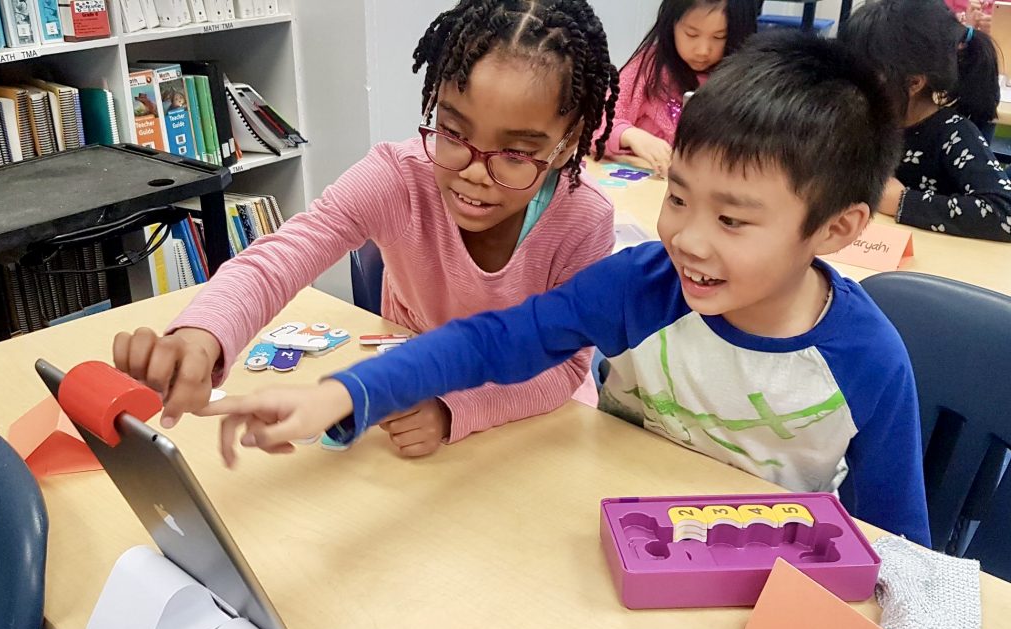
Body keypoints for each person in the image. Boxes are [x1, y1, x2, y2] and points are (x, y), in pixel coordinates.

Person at [201, 32, 932, 546]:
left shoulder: (867, 361)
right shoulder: (642, 287)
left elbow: (899, 551)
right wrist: (345, 395)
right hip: (604, 536)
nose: (687, 239)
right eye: (677, 198)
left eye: (733, 219)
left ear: (836, 229)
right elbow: (494, 341)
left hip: (761, 582)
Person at [113, 0, 620, 458]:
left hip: (532, 426)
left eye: (515, 154)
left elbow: (565, 368)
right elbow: (284, 255)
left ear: (569, 139)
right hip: (404, 388)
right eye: (452, 131)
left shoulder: (583, 220)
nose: (472, 169)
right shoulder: (398, 176)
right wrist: (203, 334)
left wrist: (453, 408)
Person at [842, 0, 1010, 242]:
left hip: (926, 267)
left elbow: (1005, 213)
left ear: (913, 83)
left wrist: (902, 202)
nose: (850, 85)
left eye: (864, 75)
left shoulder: (953, 134)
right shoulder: (859, 120)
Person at [601, 0, 756, 176]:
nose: (703, 50)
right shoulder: (649, 67)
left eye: (719, 37)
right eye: (691, 34)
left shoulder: (743, 80)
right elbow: (595, 122)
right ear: (671, 25)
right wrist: (628, 135)